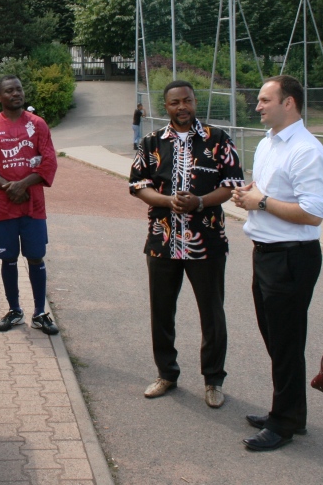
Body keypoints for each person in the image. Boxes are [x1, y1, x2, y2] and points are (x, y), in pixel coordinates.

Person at [129, 81, 244, 408]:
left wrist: (200, 201)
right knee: (161, 312)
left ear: (195, 102)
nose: (182, 107)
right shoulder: (151, 142)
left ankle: (213, 380)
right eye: (175, 102)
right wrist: (168, 201)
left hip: (206, 241)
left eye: (187, 100)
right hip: (162, 241)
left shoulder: (218, 139)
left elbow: (232, 184)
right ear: (166, 106)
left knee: (212, 313)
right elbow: (137, 185)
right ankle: (166, 374)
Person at [232, 74, 323, 452]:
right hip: (266, 253)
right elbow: (266, 193)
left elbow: (312, 212)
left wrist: (260, 202)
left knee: (286, 343)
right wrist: (251, 196)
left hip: (291, 256)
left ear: (288, 103)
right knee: (277, 340)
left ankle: (284, 423)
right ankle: (291, 412)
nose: (257, 106)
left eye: (264, 100)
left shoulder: (306, 150)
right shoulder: (267, 144)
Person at [0, 75, 59, 335]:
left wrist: (23, 185)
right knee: (8, 257)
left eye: (19, 89)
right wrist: (10, 187)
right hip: (4, 206)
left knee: (35, 256)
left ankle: (40, 313)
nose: (16, 94)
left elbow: (49, 161)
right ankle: (14, 310)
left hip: (33, 206)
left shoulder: (37, 124)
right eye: (9, 91)